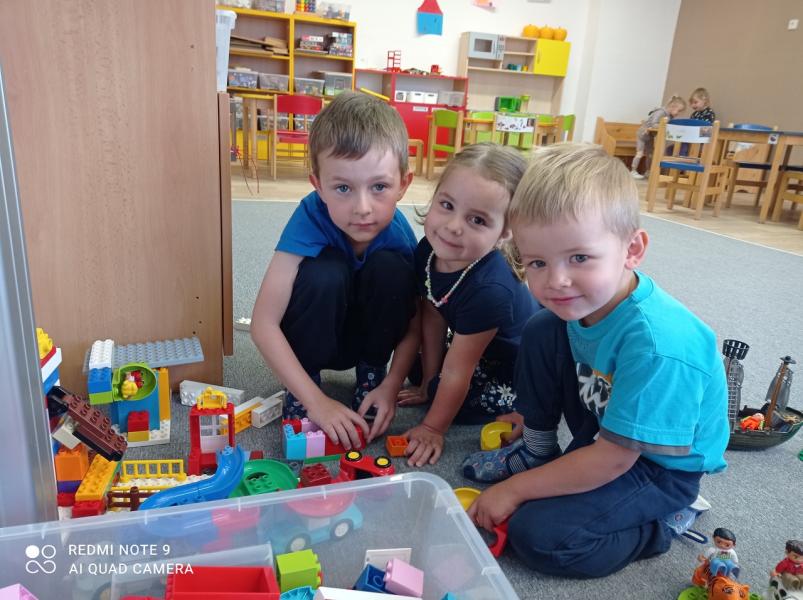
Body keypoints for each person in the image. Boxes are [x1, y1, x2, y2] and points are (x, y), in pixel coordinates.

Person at [462, 143, 730, 578]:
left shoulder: (658, 345)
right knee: (543, 326)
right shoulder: (582, 305)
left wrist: (515, 490)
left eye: (579, 258)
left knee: (540, 535)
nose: (557, 280)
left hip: (658, 467)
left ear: (632, 249)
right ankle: (537, 451)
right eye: (537, 262)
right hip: (604, 419)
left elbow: (613, 460)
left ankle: (662, 524)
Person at [250, 92, 419, 449]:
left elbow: (414, 324)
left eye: (379, 187)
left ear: (403, 185)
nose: (362, 208)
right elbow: (263, 323)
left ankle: (370, 377)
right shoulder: (308, 218)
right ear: (318, 186)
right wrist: (315, 401)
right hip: (317, 338)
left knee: (394, 270)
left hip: (368, 341)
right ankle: (305, 383)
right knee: (322, 272)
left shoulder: (400, 235)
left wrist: (391, 385)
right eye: (343, 188)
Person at [397, 143, 540, 467]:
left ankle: (537, 403)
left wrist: (433, 428)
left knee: (451, 396)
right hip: (479, 347)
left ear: (506, 231)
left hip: (520, 368)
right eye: (446, 205)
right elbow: (433, 314)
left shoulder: (491, 289)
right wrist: (428, 381)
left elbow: (458, 369)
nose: (453, 226)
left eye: (477, 219)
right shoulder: (429, 250)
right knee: (424, 375)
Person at [630, 94, 687, 179]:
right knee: (640, 153)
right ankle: (633, 171)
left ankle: (648, 171)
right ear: (672, 106)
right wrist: (664, 126)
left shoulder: (669, 116)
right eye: (678, 111)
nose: (678, 114)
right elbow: (654, 124)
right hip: (642, 134)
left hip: (650, 136)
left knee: (650, 154)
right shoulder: (661, 112)